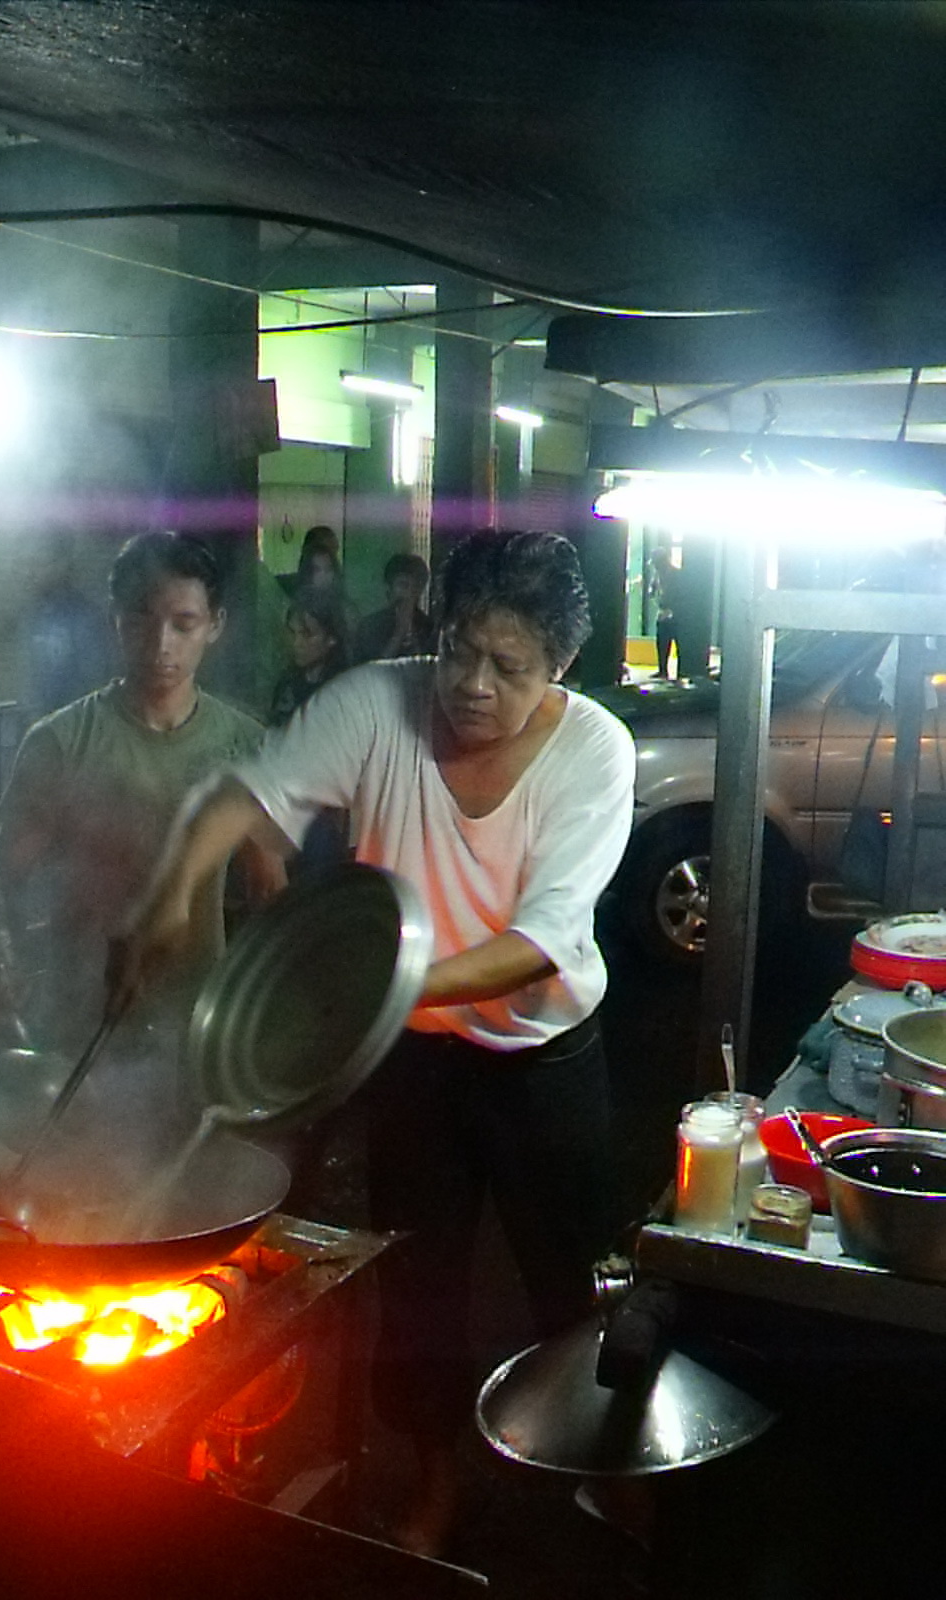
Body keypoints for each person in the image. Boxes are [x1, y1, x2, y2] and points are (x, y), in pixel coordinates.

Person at [114, 528, 636, 1556]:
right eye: (457, 651)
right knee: (420, 1287)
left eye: (508, 665)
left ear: (559, 667)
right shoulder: (374, 703)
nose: (471, 685)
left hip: (544, 1056)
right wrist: (168, 893)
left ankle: (609, 1474)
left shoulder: (595, 751)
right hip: (415, 1066)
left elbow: (539, 944)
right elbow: (238, 795)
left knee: (577, 1281)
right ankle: (436, 1480)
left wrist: (371, 992)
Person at [0, 531, 283, 1049]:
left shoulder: (247, 745)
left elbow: (268, 889)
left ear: (215, 626)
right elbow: (6, 881)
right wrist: (12, 966)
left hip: (196, 1014)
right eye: (141, 621)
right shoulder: (59, 743)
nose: (161, 646)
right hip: (81, 1010)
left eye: (184, 624)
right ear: (116, 622)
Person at [17, 534, 112, 721]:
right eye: (26, 564)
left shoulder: (85, 617)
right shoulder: (35, 614)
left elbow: (96, 683)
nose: (29, 572)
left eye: (38, 564)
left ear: (60, 565)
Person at [268, 586, 352, 727]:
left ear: (331, 638)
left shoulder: (345, 689)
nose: (296, 643)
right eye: (292, 632)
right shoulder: (287, 683)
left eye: (307, 634)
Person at [354, 552, 434, 663]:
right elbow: (373, 671)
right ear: (389, 587)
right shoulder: (370, 627)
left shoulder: (429, 628)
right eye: (403, 585)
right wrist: (400, 632)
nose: (409, 593)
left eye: (415, 587)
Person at [647, 547, 686, 680]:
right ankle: (662, 670)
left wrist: (672, 610)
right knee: (662, 643)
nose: (656, 566)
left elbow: (682, 595)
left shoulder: (676, 574)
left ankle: (681, 673)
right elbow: (652, 590)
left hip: (677, 615)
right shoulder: (657, 575)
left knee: (679, 645)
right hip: (663, 613)